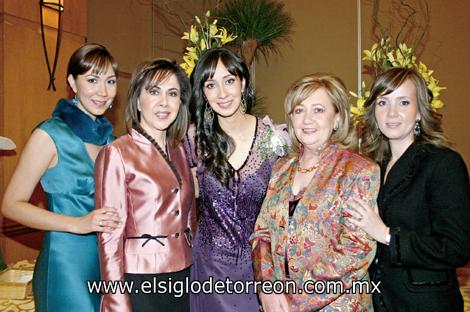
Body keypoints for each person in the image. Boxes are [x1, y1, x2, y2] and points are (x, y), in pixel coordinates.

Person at [1, 43, 121, 312]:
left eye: (110, 81)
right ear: (72, 83)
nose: (103, 91)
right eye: (92, 80)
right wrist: (77, 223)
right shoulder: (51, 135)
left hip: (107, 266)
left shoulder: (113, 144)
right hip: (66, 264)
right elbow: (10, 205)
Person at [250, 73, 380, 311]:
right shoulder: (281, 169)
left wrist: (294, 300)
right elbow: (262, 233)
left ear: (337, 118)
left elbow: (356, 249)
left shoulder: (358, 171)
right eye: (299, 110)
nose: (307, 119)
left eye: (318, 110)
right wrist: (267, 288)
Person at [347, 67, 470, 311]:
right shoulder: (372, 168)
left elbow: (457, 248)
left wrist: (387, 235)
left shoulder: (443, 163)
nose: (392, 113)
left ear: (419, 111)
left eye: (403, 102)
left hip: (425, 305)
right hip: (379, 303)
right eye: (383, 103)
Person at [185, 47, 288, 311]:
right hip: (210, 270)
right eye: (211, 84)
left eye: (229, 80)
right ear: (203, 92)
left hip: (260, 269)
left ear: (242, 82)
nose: (222, 93)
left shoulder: (272, 139)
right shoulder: (194, 139)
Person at [95, 59, 196, 312]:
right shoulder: (116, 153)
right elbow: (109, 236)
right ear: (138, 100)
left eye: (172, 93)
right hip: (140, 280)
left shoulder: (180, 150)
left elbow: (189, 216)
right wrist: (116, 300)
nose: (164, 102)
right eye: (154, 91)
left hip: (183, 275)